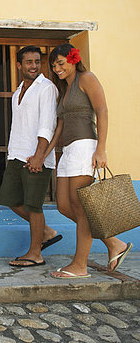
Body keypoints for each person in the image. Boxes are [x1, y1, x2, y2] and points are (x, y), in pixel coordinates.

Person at [38, 44, 132, 278]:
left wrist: (101, 148)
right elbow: (59, 126)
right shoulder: (65, 88)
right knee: (64, 206)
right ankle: (113, 244)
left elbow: (102, 110)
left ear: (73, 59)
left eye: (61, 63)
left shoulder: (86, 78)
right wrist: (44, 154)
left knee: (81, 208)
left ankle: (79, 266)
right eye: (54, 65)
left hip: (85, 146)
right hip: (67, 151)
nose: (57, 68)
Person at [0, 46, 62, 267]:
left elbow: (47, 124)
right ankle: (46, 232)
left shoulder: (47, 88)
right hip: (17, 154)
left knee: (34, 205)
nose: (33, 66)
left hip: (37, 156)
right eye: (28, 62)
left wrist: (39, 155)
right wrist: (12, 153)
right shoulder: (18, 92)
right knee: (9, 199)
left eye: (37, 61)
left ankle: (36, 253)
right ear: (19, 65)